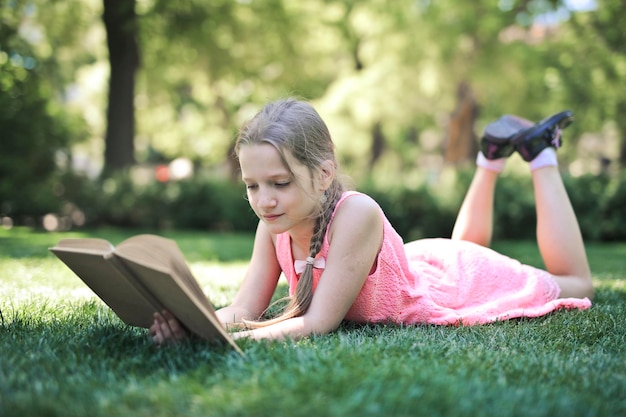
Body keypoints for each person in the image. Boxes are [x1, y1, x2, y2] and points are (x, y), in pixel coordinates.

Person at [150, 99, 594, 345]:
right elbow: (245, 310)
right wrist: (194, 321)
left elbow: (318, 323)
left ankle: (541, 154)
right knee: (467, 245)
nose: (264, 201)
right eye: (252, 186)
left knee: (576, 283)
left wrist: (217, 342)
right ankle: (491, 156)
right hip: (430, 264)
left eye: (279, 183)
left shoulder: (357, 213)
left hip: (451, 281)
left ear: (324, 174)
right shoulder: (274, 227)